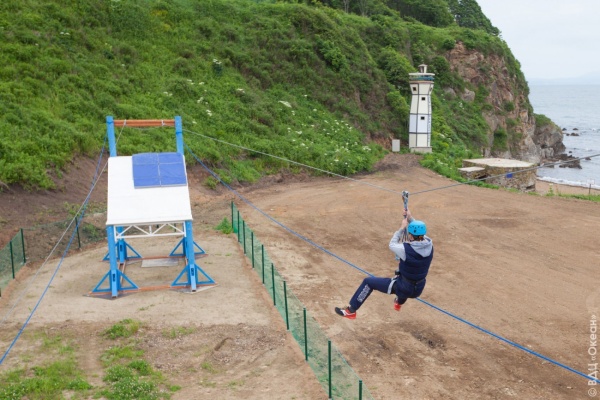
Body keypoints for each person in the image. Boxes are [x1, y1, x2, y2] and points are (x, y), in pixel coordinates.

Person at [335, 209, 434, 319]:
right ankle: (399, 302)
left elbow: (392, 244)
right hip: (418, 288)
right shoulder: (429, 245)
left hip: (404, 287)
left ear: (410, 235)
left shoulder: (404, 250)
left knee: (368, 282)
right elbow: (419, 233)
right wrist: (410, 218)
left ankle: (351, 311)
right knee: (404, 278)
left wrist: (402, 228)